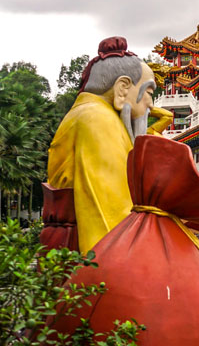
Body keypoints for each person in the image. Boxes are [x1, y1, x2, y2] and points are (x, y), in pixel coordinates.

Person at [46, 36, 171, 254]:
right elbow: (110, 220)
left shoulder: (97, 116)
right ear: (123, 88)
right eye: (149, 92)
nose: (151, 104)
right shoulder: (97, 120)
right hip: (94, 261)